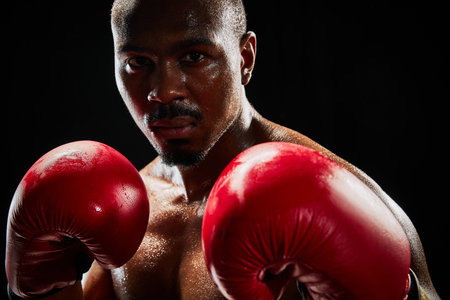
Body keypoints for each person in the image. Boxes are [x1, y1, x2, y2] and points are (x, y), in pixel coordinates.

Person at [5, 0, 440, 299]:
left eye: (194, 56)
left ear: (245, 58)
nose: (162, 91)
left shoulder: (336, 194)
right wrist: (42, 287)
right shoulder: (120, 209)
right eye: (138, 63)